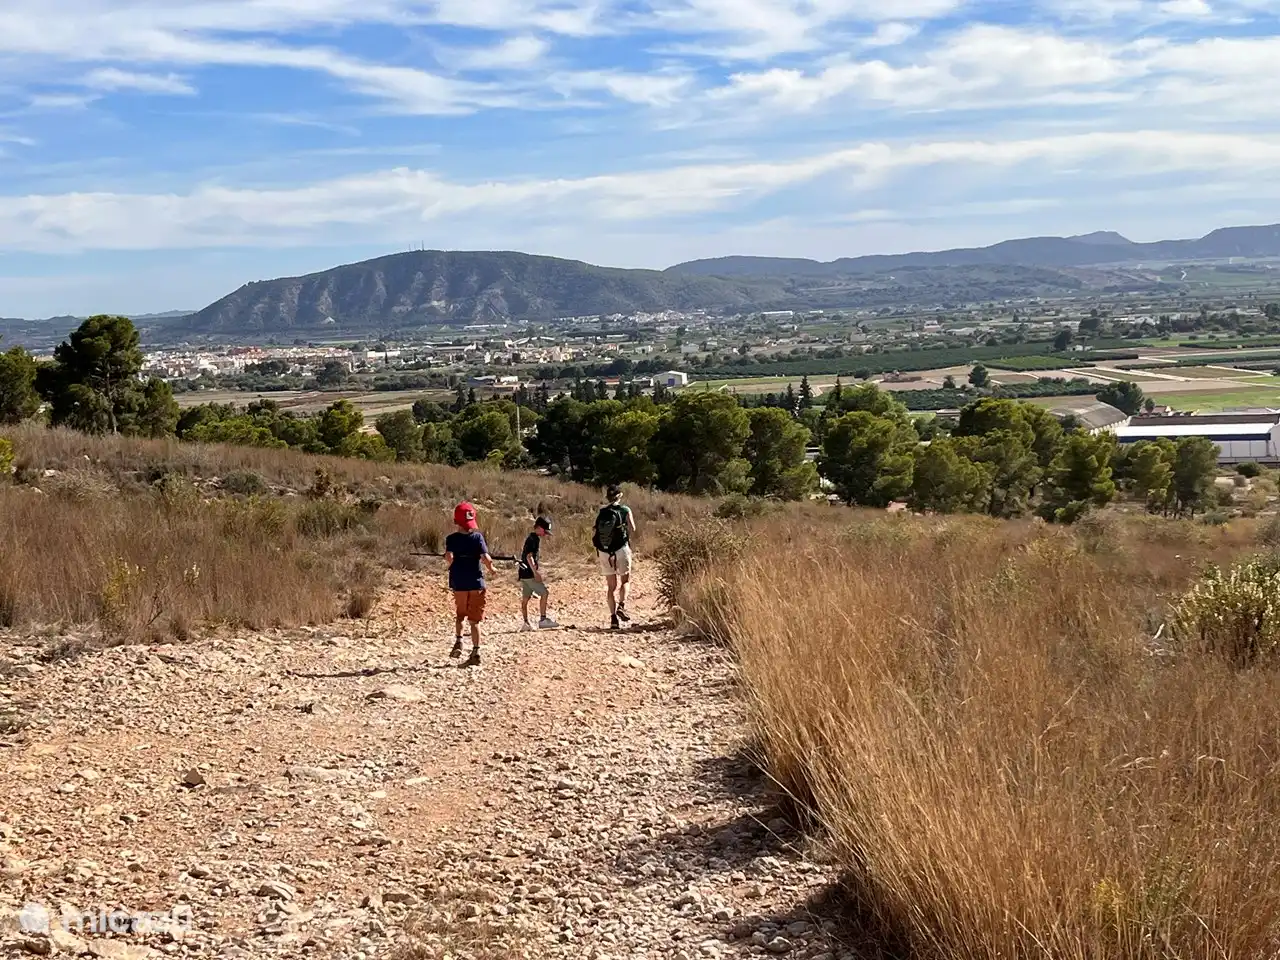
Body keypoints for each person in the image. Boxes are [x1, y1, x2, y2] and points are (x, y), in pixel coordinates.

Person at [445, 501, 495, 667]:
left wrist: (452, 565)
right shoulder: (478, 537)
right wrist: (492, 568)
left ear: (455, 521)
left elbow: (449, 557)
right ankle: (476, 652)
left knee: (460, 615)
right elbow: (486, 559)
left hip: (459, 583)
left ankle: (458, 642)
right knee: (475, 621)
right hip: (476, 583)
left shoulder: (451, 539)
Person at [593, 484, 636, 630]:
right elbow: (633, 528)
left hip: (604, 551)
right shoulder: (625, 510)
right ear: (620, 495)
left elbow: (596, 530)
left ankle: (613, 619)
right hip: (621, 549)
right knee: (625, 579)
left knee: (611, 586)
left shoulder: (602, 511)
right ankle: (622, 605)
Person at [518, 516, 558, 631]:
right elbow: (529, 556)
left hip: (523, 573)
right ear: (539, 528)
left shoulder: (531, 538)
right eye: (544, 531)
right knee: (544, 593)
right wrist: (535, 573)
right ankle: (543, 619)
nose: (545, 534)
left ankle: (525, 623)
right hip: (529, 574)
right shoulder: (533, 539)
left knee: (526, 598)